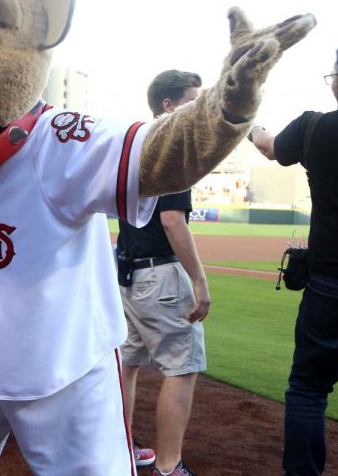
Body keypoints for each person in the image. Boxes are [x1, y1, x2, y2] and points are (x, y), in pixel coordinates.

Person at [248, 42, 338, 475]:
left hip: (331, 287)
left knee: (309, 389)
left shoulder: (314, 128)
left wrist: (249, 125)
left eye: (332, 77)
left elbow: (269, 147)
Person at [117, 70, 211, 476]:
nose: (201, 107)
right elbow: (174, 221)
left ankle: (118, 448)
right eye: (194, 100)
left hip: (127, 274)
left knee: (129, 362)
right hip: (160, 275)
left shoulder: (134, 144)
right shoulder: (174, 150)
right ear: (168, 106)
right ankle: (170, 466)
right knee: (182, 367)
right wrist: (200, 280)